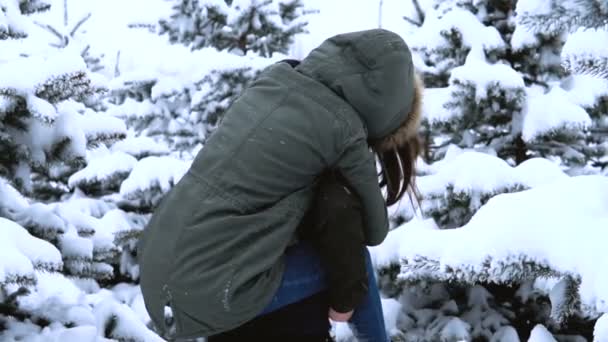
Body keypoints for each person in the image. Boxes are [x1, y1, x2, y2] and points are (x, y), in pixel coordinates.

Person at [137, 28, 423, 342]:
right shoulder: (344, 128)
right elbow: (376, 229)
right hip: (211, 290)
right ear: (385, 108)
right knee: (356, 261)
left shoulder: (273, 81)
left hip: (160, 266)